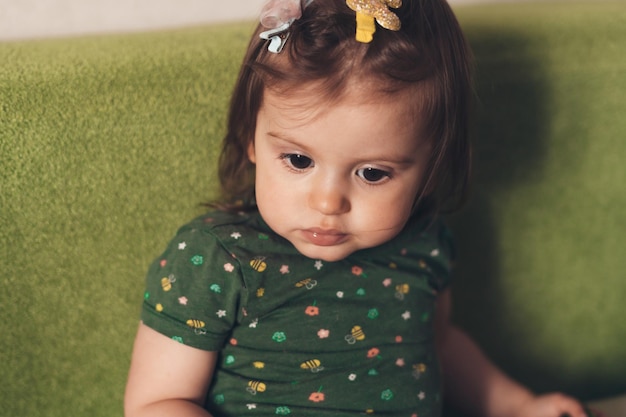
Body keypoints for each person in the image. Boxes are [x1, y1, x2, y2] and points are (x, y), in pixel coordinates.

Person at [124, 1, 594, 416]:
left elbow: (441, 344)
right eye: (299, 160)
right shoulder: (218, 256)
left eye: (372, 173)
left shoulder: (424, 243)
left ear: (431, 164)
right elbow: (156, 403)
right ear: (251, 136)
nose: (328, 203)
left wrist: (518, 406)